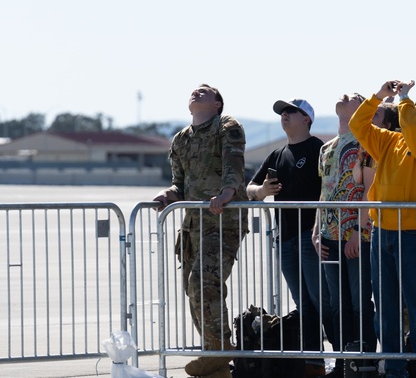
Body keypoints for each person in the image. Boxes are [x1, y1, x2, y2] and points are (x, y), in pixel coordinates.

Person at [350, 80, 416, 378]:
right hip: (382, 232)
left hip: (413, 235)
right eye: (410, 107)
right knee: (386, 310)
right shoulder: (391, 141)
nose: (410, 109)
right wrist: (379, 96)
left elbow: (412, 128)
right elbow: (357, 124)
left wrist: (404, 99)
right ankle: (394, 370)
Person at [154, 84, 249, 378]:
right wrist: (168, 195)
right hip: (193, 224)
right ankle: (216, 358)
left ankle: (219, 350)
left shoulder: (227, 126)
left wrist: (227, 192)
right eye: (194, 91)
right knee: (192, 288)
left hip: (223, 220)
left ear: (217, 104)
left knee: (203, 282)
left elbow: (234, 163)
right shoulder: (181, 139)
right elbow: (179, 181)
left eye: (205, 92)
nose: (197, 93)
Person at [247, 98, 333, 378]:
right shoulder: (277, 153)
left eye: (291, 111)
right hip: (285, 239)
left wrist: (319, 231)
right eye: (282, 112)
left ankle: (344, 356)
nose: (284, 115)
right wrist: (262, 191)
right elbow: (250, 187)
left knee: (322, 301)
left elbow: (328, 190)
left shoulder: (319, 149)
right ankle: (314, 363)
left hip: (312, 237)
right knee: (303, 304)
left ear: (306, 118)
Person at [314, 92, 378, 360]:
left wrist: (357, 231)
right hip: (329, 235)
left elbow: (368, 190)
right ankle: (343, 360)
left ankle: (363, 360)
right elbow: (324, 192)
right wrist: (317, 233)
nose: (345, 95)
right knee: (337, 303)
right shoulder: (326, 148)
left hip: (357, 236)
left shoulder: (367, 144)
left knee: (359, 301)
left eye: (354, 96)